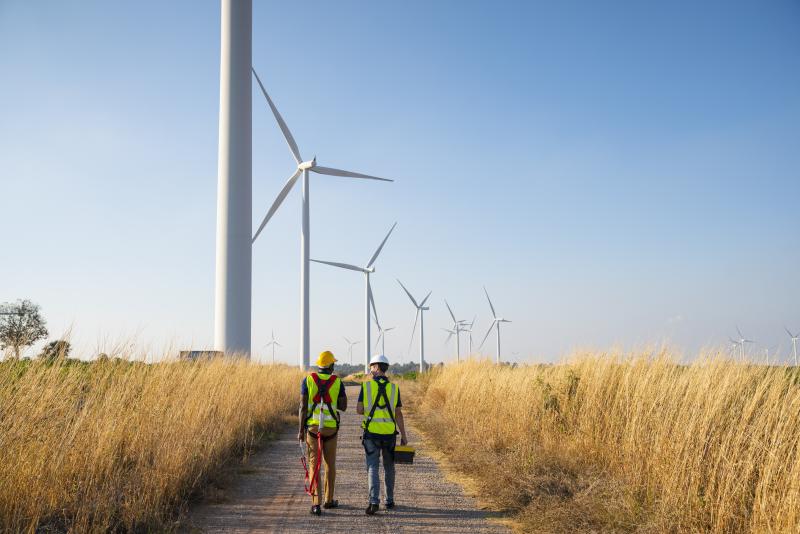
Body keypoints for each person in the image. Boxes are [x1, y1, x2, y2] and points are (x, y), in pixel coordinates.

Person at [357, 354, 407, 515]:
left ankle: (373, 502)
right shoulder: (394, 388)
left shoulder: (366, 387)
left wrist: (371, 408)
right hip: (389, 435)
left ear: (377, 367)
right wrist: (404, 436)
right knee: (389, 467)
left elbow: (359, 409)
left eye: (372, 366)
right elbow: (398, 413)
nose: (370, 369)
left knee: (372, 467)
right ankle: (389, 500)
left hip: (371, 434)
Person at [299, 350, 347, 515]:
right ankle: (328, 500)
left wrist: (300, 430)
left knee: (314, 465)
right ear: (331, 365)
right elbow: (343, 406)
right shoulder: (338, 382)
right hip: (331, 429)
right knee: (330, 464)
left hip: (312, 429)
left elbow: (303, 407)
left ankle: (315, 503)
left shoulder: (308, 380)